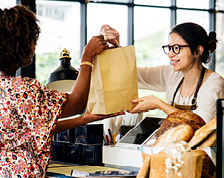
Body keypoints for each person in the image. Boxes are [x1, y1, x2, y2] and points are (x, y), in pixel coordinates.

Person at [0, 5, 123, 177]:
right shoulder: (21, 89)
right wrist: (87, 57)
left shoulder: (4, 87)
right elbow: (76, 103)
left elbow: (32, 129)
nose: (34, 46)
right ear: (18, 43)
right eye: (32, 39)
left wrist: (83, 120)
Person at [100, 23, 224, 123]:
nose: (170, 54)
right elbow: (130, 74)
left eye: (177, 48)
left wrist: (158, 104)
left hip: (201, 153)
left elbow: (200, 122)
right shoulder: (171, 74)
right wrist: (116, 47)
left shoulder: (214, 84)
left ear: (198, 51)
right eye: (169, 48)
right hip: (174, 150)